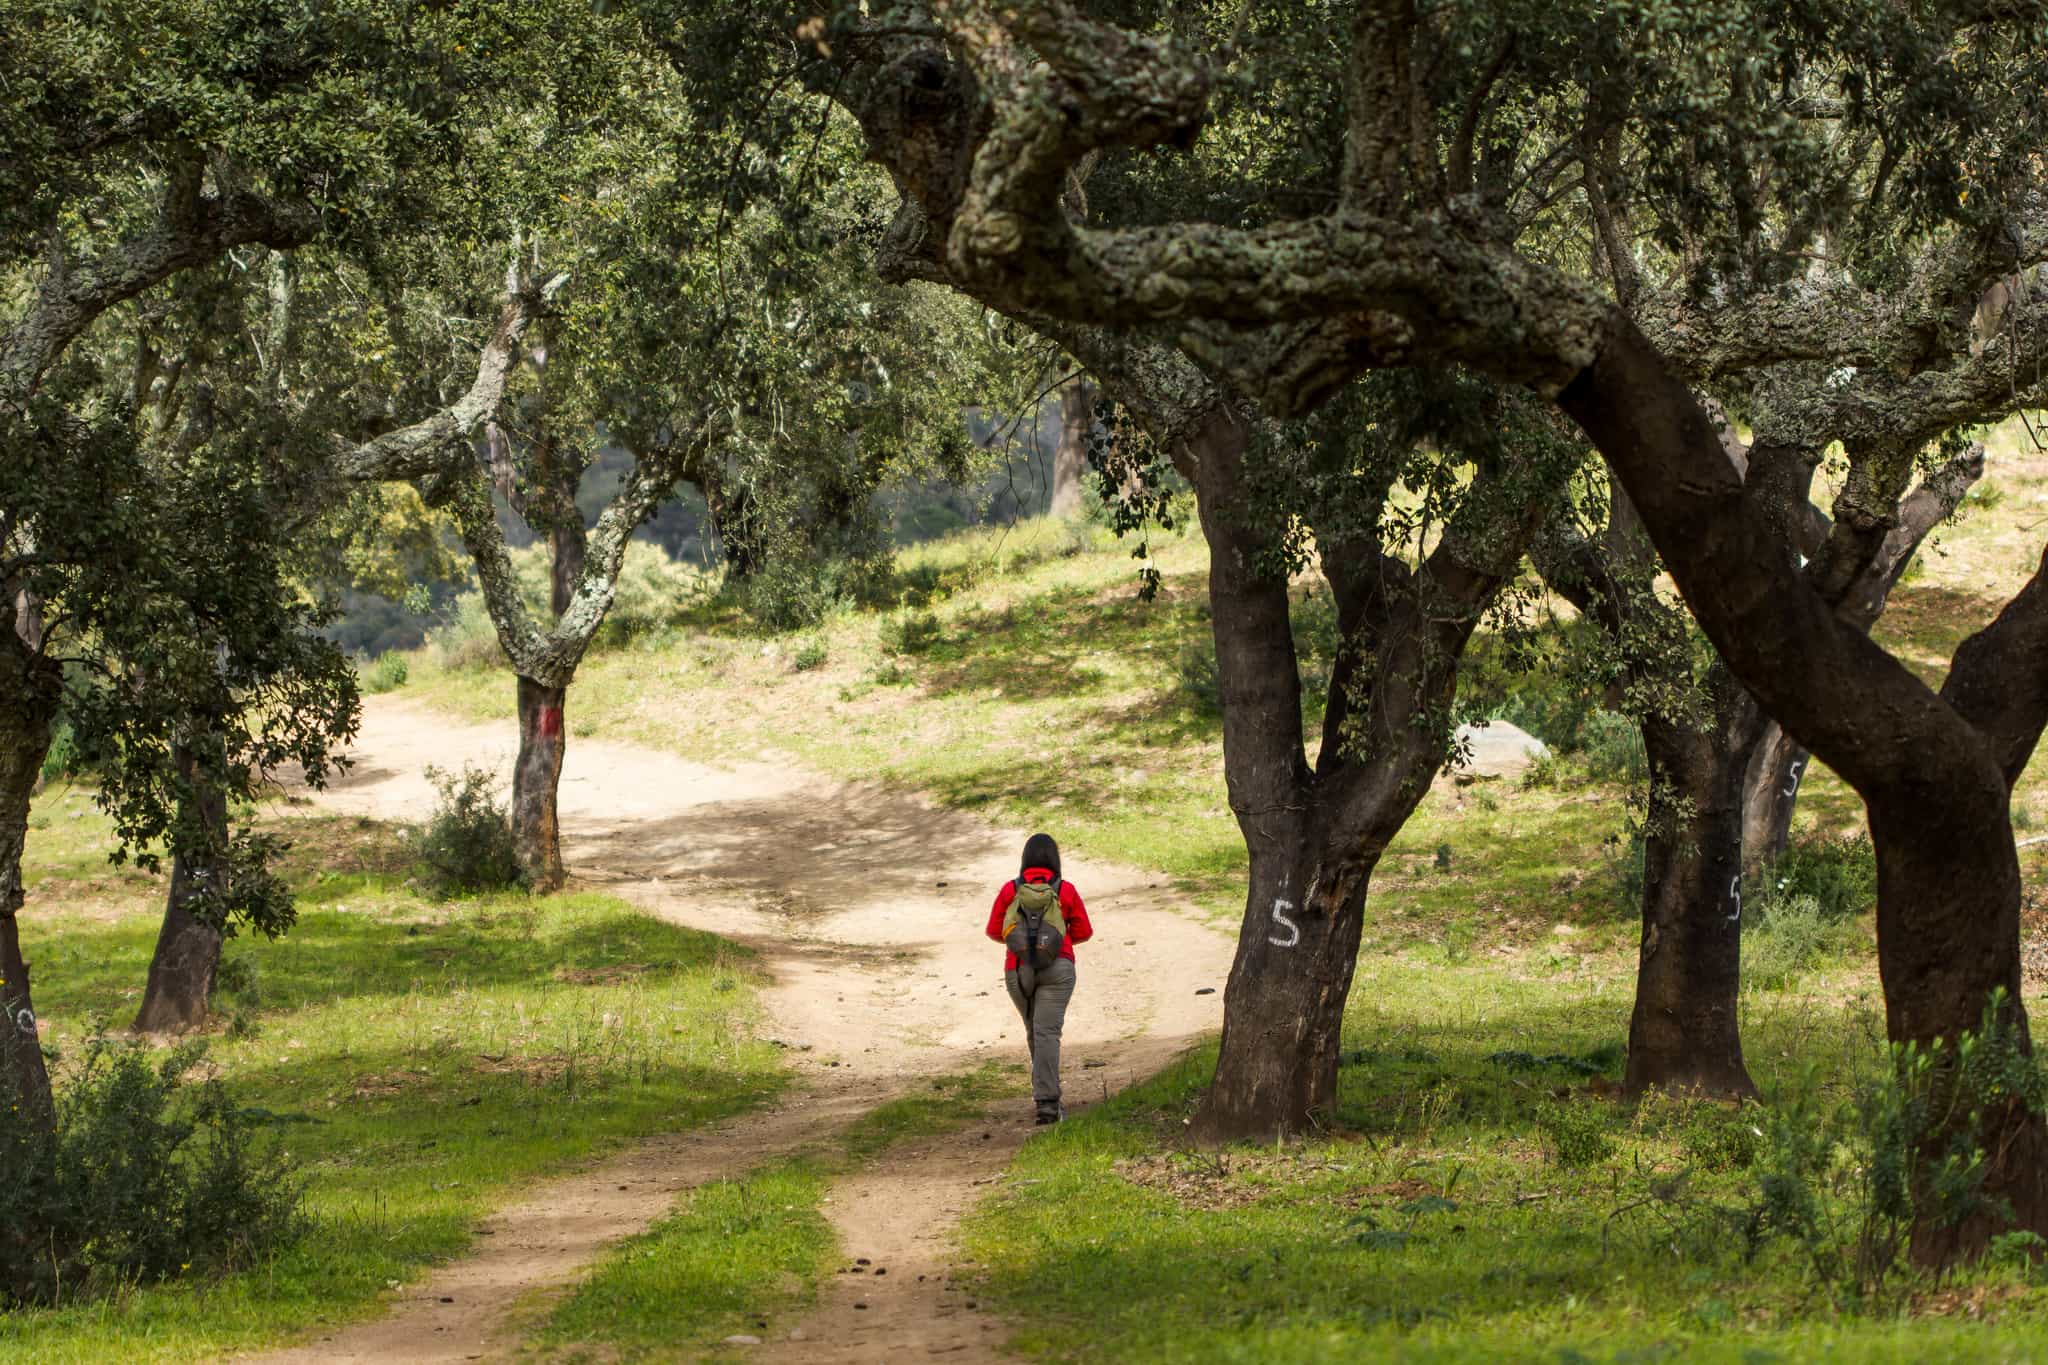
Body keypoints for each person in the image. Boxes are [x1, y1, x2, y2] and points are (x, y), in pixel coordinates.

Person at [985, 832, 1093, 1125]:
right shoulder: (1065, 890)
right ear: (1055, 859)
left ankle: (1045, 1095)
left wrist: (1024, 945)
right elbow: (1084, 931)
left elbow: (994, 930)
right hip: (1058, 969)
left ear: (1025, 859)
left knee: (1034, 1030)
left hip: (1018, 970)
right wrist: (1054, 943)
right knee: (1047, 1032)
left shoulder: (1010, 890)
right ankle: (1047, 1103)